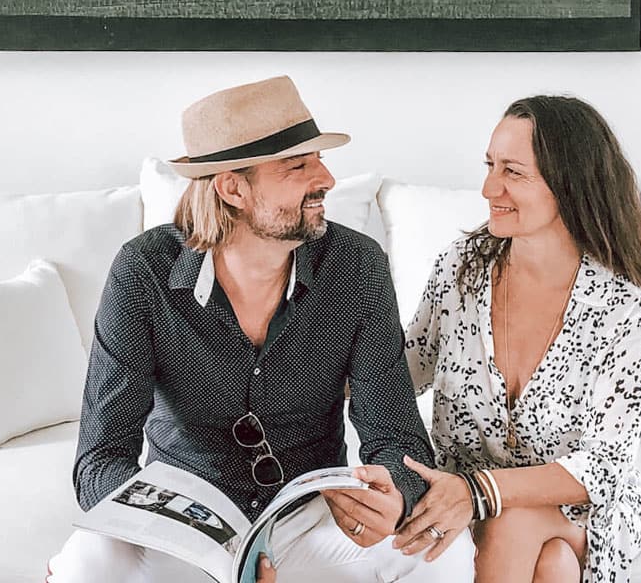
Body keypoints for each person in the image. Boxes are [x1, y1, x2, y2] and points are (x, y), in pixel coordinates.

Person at [46, 75, 475, 583]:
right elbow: (100, 460)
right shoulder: (144, 271)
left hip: (311, 519)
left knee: (441, 553)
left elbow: (396, 437)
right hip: (183, 532)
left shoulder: (358, 266)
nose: (327, 179)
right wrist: (176, 529)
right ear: (233, 188)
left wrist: (395, 493)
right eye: (299, 165)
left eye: (318, 159)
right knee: (86, 565)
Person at [393, 96, 641, 583]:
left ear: (570, 186)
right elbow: (400, 371)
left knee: (511, 523)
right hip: (464, 500)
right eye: (490, 165)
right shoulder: (460, 268)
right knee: (553, 567)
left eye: (512, 172)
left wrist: (482, 492)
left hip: (575, 508)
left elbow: (604, 466)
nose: (487, 188)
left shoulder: (622, 308)